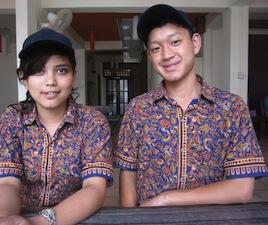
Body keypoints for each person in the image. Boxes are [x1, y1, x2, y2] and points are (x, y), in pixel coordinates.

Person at [114, 4, 268, 207]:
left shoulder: (232, 108)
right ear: (150, 56)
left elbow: (242, 188)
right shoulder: (138, 108)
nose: (166, 54)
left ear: (195, 43)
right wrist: (132, 220)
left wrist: (167, 198)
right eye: (156, 48)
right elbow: (128, 175)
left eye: (175, 42)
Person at [0, 28, 113, 225]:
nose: (50, 81)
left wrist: (41, 222)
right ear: (23, 78)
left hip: (76, 218)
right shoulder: (12, 119)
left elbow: (94, 188)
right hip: (22, 218)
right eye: (38, 71)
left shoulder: (93, 121)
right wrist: (5, 220)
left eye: (61, 70)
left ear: (73, 76)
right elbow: (6, 182)